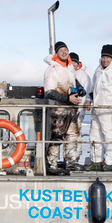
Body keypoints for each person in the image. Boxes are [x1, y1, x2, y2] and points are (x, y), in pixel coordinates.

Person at [43, 41, 83, 175]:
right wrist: (67, 98)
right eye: (61, 51)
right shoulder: (52, 69)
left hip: (72, 108)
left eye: (66, 50)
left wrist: (80, 88)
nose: (64, 52)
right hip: (59, 109)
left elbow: (73, 82)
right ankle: (52, 164)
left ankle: (70, 163)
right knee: (57, 136)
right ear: (56, 54)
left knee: (72, 136)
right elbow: (49, 92)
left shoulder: (69, 67)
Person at [70, 52, 92, 166]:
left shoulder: (82, 75)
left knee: (75, 133)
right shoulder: (68, 73)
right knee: (71, 134)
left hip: (77, 108)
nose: (73, 64)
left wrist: (81, 105)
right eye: (71, 61)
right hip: (70, 108)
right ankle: (71, 158)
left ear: (78, 63)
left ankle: (75, 157)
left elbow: (85, 92)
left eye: (75, 62)